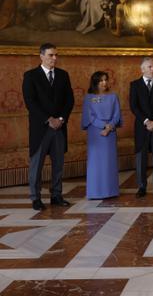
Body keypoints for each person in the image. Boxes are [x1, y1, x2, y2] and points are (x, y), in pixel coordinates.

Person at [22, 43, 74, 211]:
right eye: (51, 55)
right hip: (41, 129)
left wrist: (60, 118)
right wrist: (48, 119)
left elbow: (69, 100)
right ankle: (35, 198)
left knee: (58, 164)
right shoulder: (30, 76)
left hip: (59, 127)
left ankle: (56, 195)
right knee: (36, 165)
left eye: (56, 55)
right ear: (41, 56)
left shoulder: (63, 75)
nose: (54, 58)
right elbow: (30, 102)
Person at [129, 57, 153, 197]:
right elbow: (134, 107)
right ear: (143, 69)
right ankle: (141, 187)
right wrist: (147, 121)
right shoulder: (135, 85)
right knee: (141, 157)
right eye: (150, 67)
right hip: (142, 127)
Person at [81, 71, 122, 199]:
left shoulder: (113, 97)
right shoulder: (89, 98)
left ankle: (111, 191)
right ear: (95, 82)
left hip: (110, 134)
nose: (104, 83)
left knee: (109, 162)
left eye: (105, 80)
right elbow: (90, 117)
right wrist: (104, 126)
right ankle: (95, 192)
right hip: (96, 133)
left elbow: (117, 115)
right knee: (96, 163)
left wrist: (109, 127)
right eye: (101, 80)